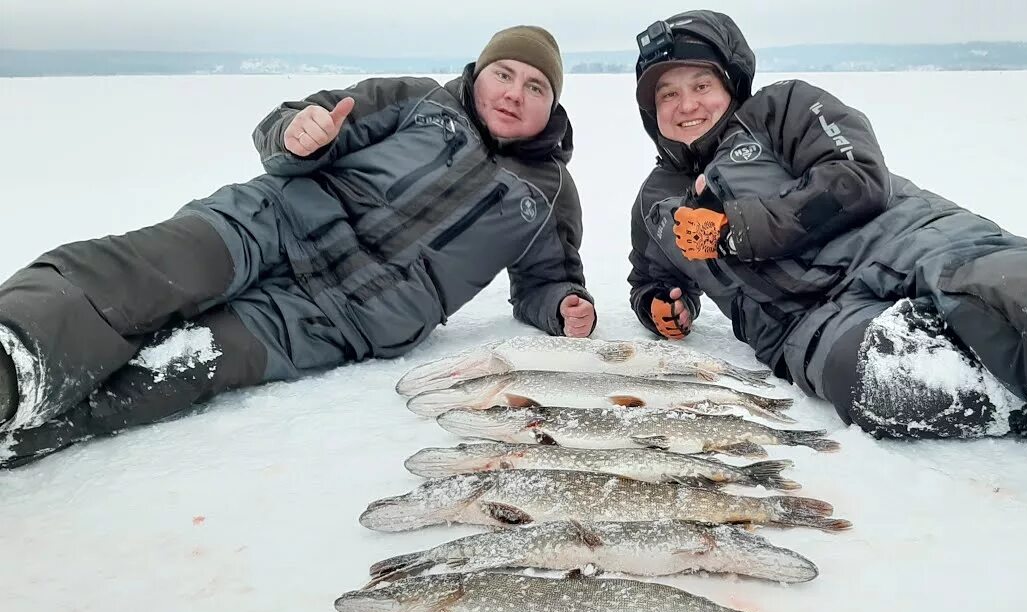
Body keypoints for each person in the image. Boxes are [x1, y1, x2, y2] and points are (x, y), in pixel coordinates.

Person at [625, 10, 1027, 567]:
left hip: (909, 237)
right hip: (809, 321)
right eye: (667, 95)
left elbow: (855, 179)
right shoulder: (656, 202)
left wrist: (736, 230)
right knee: (886, 378)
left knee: (1016, 298)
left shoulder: (785, 109)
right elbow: (650, 276)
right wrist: (661, 305)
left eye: (700, 84)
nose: (686, 105)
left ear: (730, 83)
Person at [0, 25, 595, 468]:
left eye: (536, 85)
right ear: (479, 72)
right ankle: (11, 356)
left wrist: (565, 305)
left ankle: (21, 431)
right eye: (504, 73)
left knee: (184, 369)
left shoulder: (548, 195)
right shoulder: (416, 99)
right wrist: (298, 134)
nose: (515, 92)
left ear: (554, 104)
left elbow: (549, 279)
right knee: (139, 275)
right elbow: (293, 124)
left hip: (338, 323)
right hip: (272, 223)